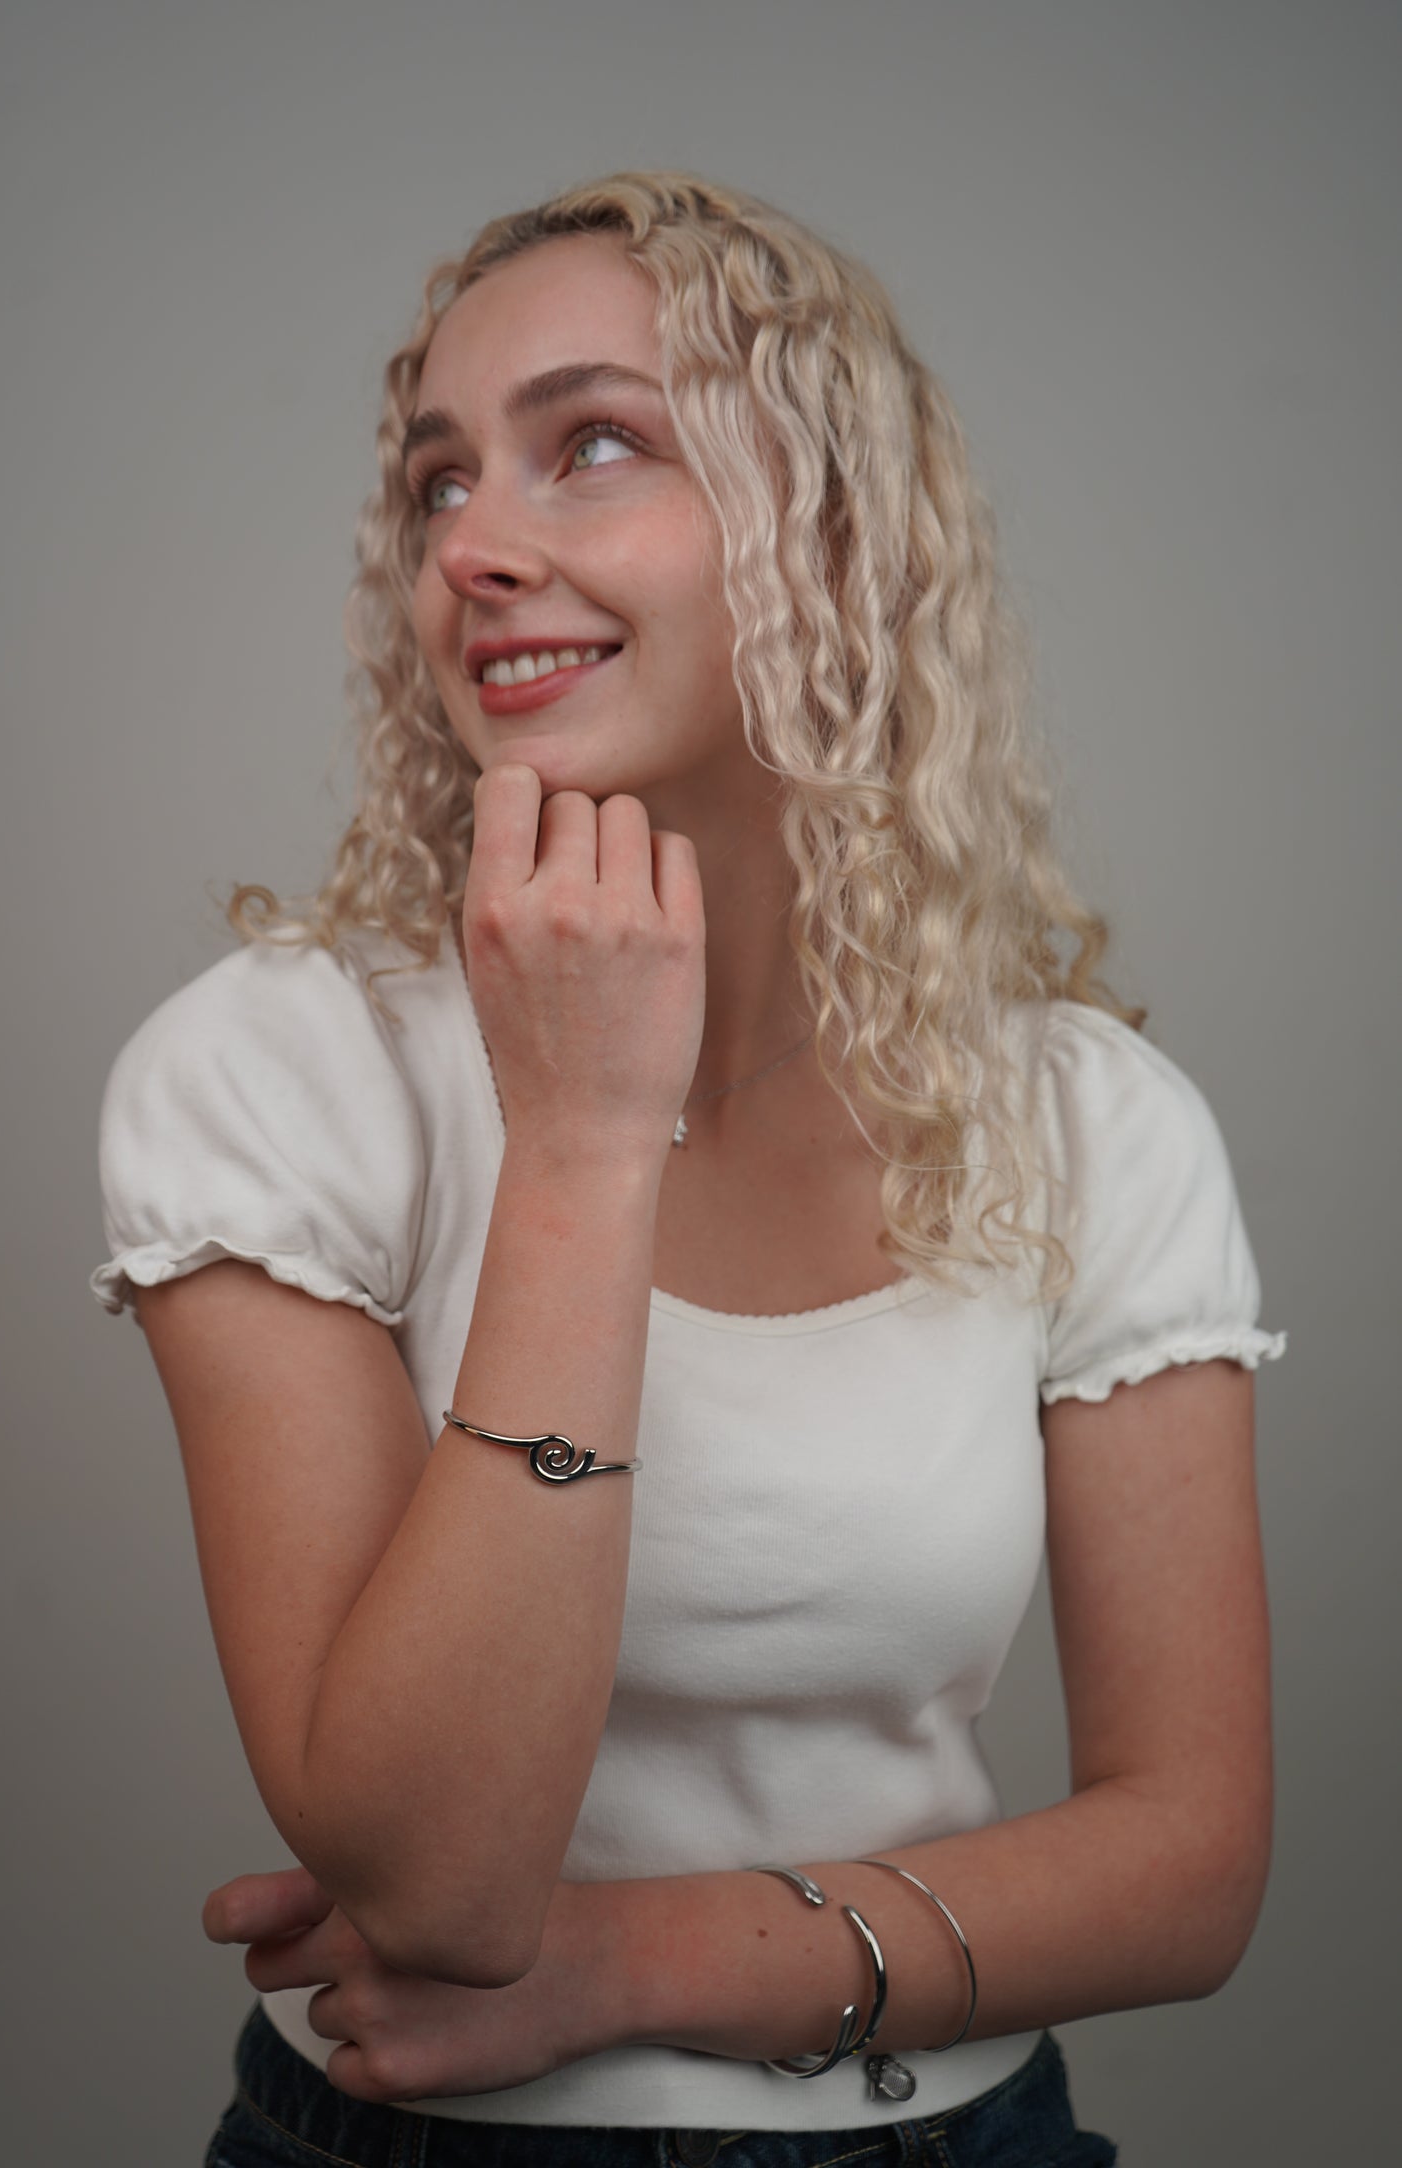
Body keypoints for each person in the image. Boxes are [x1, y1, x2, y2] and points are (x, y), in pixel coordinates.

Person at [88, 171, 1286, 2168]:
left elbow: (1192, 1863)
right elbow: (441, 1884)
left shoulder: (1093, 1122)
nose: (472, 546)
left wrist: (623, 1964)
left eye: (593, 445)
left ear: (832, 532)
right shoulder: (276, 1075)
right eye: (438, 482)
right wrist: (577, 1147)